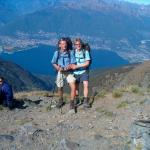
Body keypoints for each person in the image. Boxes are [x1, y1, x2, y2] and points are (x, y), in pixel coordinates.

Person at [51, 37, 77, 113]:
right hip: (60, 71)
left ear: (67, 44)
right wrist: (58, 68)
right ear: (59, 45)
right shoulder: (57, 53)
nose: (64, 45)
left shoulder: (70, 52)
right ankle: (60, 100)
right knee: (59, 87)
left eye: (65, 43)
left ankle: (72, 103)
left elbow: (73, 63)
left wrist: (68, 67)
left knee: (73, 86)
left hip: (69, 72)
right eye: (62, 44)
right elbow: (53, 62)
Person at [71, 38, 91, 108]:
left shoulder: (85, 52)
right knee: (76, 87)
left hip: (83, 71)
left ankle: (85, 101)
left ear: (81, 44)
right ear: (75, 45)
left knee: (86, 84)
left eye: (79, 44)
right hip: (75, 72)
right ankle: (77, 99)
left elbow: (87, 63)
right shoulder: (73, 52)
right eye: (77, 44)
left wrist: (77, 66)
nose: (78, 45)